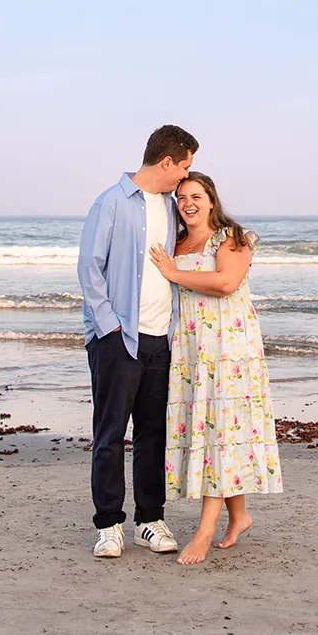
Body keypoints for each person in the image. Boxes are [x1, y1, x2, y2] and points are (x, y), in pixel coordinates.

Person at [147, 171, 282, 564]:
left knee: (219, 430)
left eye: (196, 196)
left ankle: (205, 531)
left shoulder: (232, 237)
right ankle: (238, 515)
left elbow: (226, 282)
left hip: (229, 346)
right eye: (182, 196)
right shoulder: (176, 242)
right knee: (216, 427)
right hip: (191, 346)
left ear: (211, 200)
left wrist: (173, 273)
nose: (188, 202)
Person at [77, 124, 198, 559]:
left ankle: (150, 520)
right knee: (109, 434)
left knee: (154, 433)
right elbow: (90, 268)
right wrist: (109, 328)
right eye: (185, 166)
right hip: (117, 338)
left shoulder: (170, 208)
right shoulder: (110, 203)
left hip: (160, 339)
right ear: (167, 162)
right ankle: (109, 525)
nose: (186, 176)